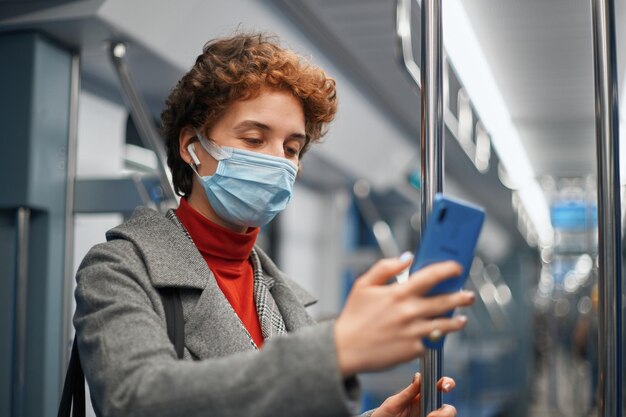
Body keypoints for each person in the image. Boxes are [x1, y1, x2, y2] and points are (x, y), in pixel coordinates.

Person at [73, 32, 475, 417]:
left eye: (291, 148)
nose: (278, 161)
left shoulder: (283, 296)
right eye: (253, 139)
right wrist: (334, 349)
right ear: (191, 147)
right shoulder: (118, 268)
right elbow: (135, 400)